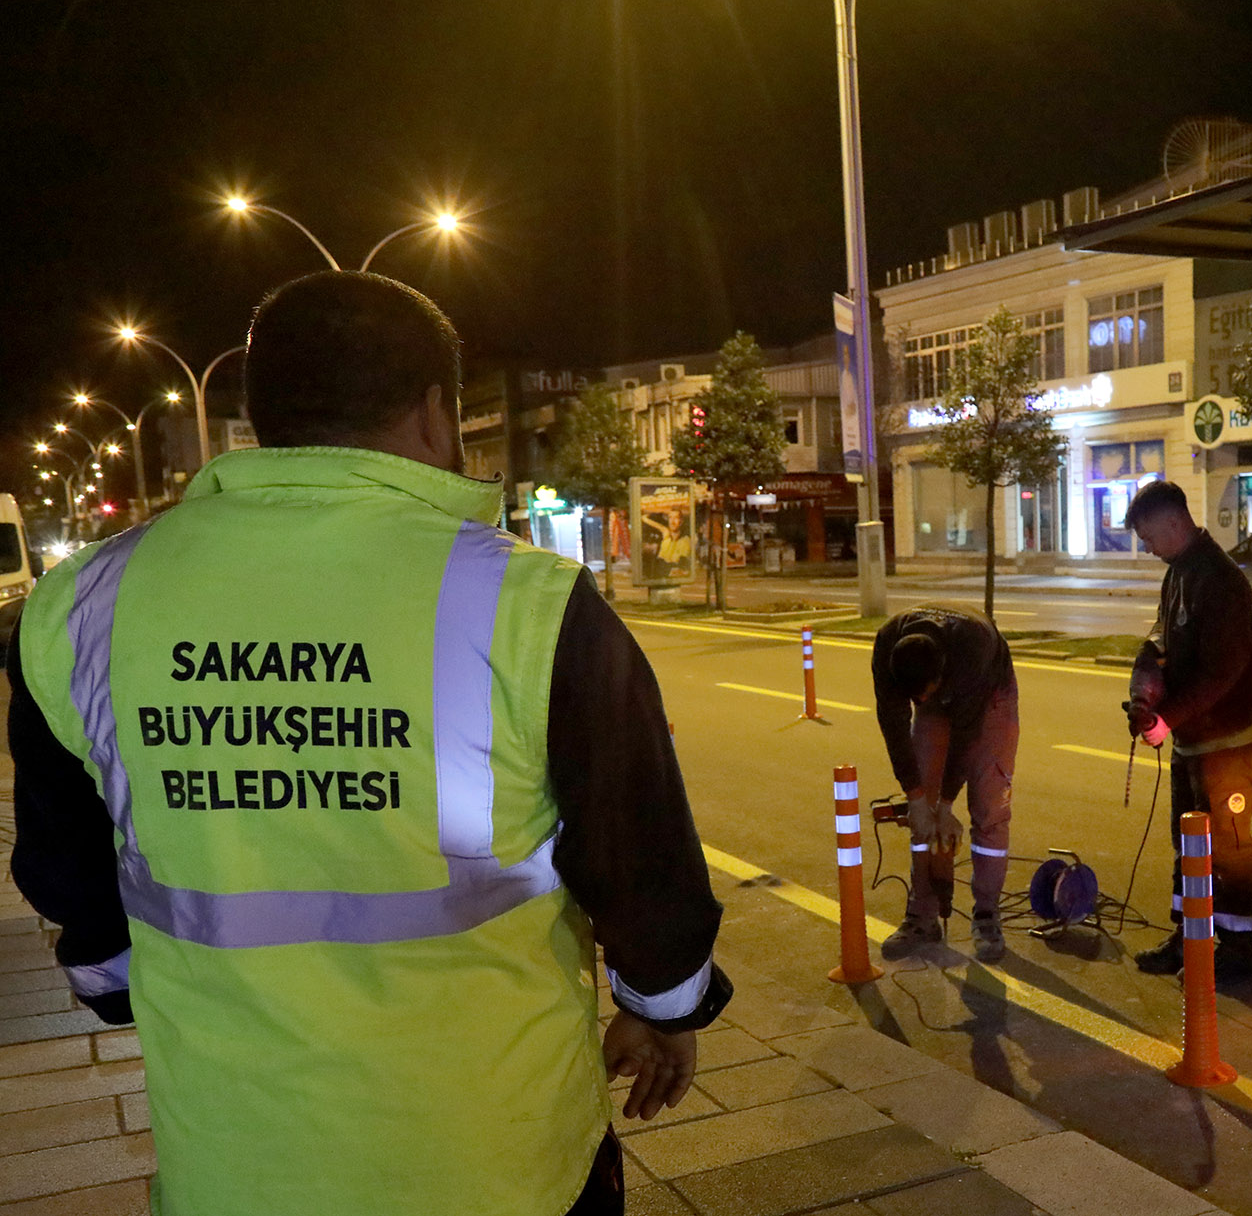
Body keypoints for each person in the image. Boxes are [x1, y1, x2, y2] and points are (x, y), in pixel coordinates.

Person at [7, 271, 729, 1216]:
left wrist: (125, 986)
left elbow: (70, 877)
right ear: (436, 411)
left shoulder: (81, 607)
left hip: (235, 1165)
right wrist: (663, 1011)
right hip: (503, 1161)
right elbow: (640, 859)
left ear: (264, 417)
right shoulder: (529, 602)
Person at [1122, 480, 1252, 984]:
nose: (1145, 547)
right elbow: (1167, 635)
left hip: (1228, 736)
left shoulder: (1221, 580)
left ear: (1173, 523)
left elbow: (1222, 672)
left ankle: (1235, 951)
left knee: (1228, 847)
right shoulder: (1180, 572)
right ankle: (1189, 938)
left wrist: (1168, 718)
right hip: (1192, 735)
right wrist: (1148, 671)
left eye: (1147, 536)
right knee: (1187, 839)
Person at [871, 606, 1019, 963]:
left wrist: (947, 806)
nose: (920, 702)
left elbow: (966, 737)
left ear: (941, 671)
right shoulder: (887, 644)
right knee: (923, 806)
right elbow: (893, 725)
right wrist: (918, 799)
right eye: (914, 698)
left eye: (925, 694)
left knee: (988, 806)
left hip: (990, 695)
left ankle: (986, 914)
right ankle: (922, 915)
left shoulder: (973, 648)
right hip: (943, 684)